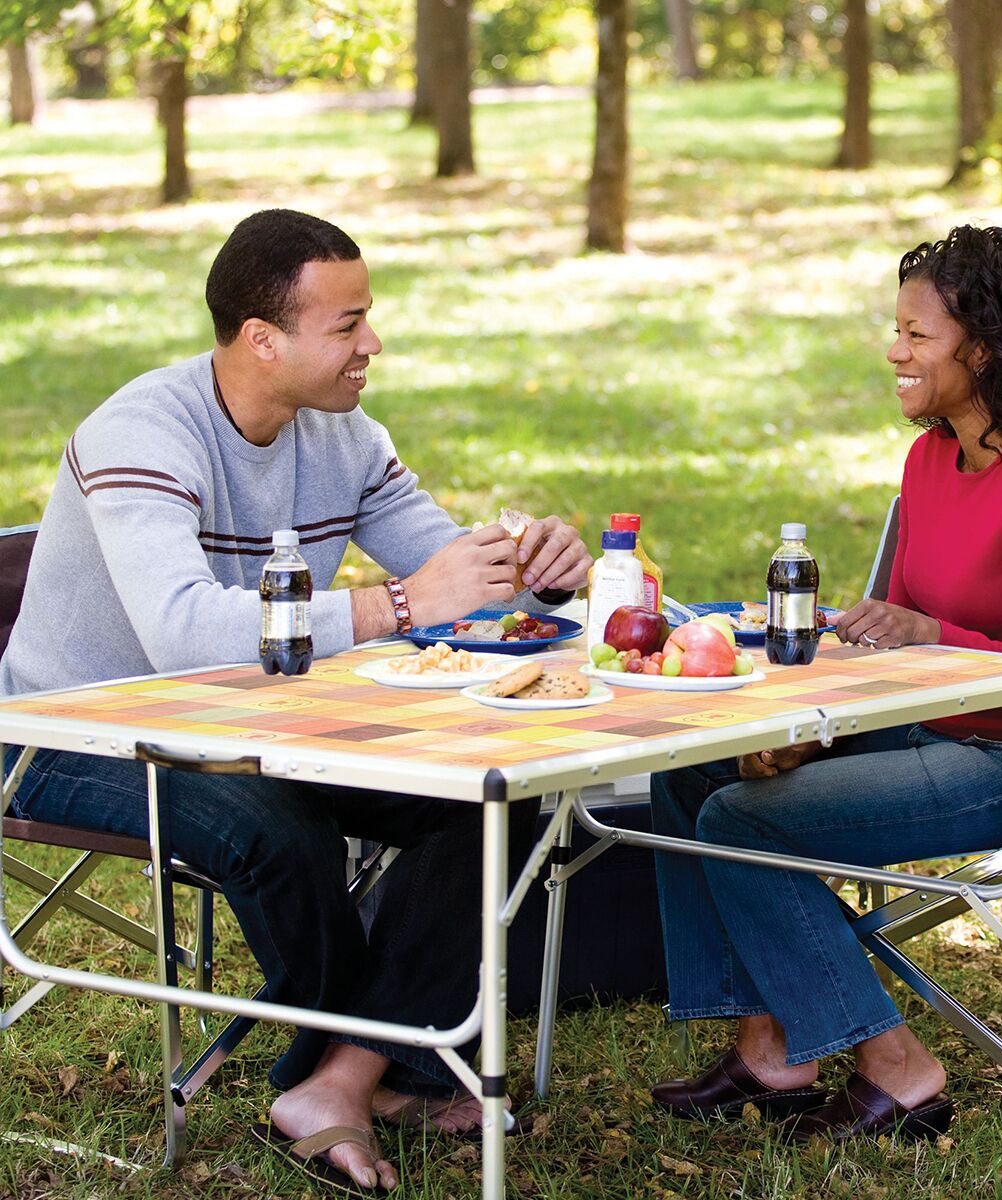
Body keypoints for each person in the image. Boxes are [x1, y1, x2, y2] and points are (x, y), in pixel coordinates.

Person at [0, 209, 592, 1193]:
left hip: (253, 726)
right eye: (348, 323)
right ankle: (347, 1075)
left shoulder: (343, 433)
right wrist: (399, 605)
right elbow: (184, 634)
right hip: (72, 736)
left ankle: (349, 1078)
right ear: (261, 340)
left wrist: (540, 576)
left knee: (489, 792)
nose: (373, 344)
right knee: (276, 827)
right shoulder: (141, 432)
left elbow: (452, 576)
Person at [648, 225, 1002, 1143]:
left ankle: (899, 1068)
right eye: (895, 330)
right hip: (930, 725)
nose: (894, 351)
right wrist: (810, 724)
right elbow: (885, 649)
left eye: (917, 334)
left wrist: (937, 634)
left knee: (743, 820)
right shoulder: (929, 459)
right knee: (692, 774)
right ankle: (773, 1048)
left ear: (982, 348)